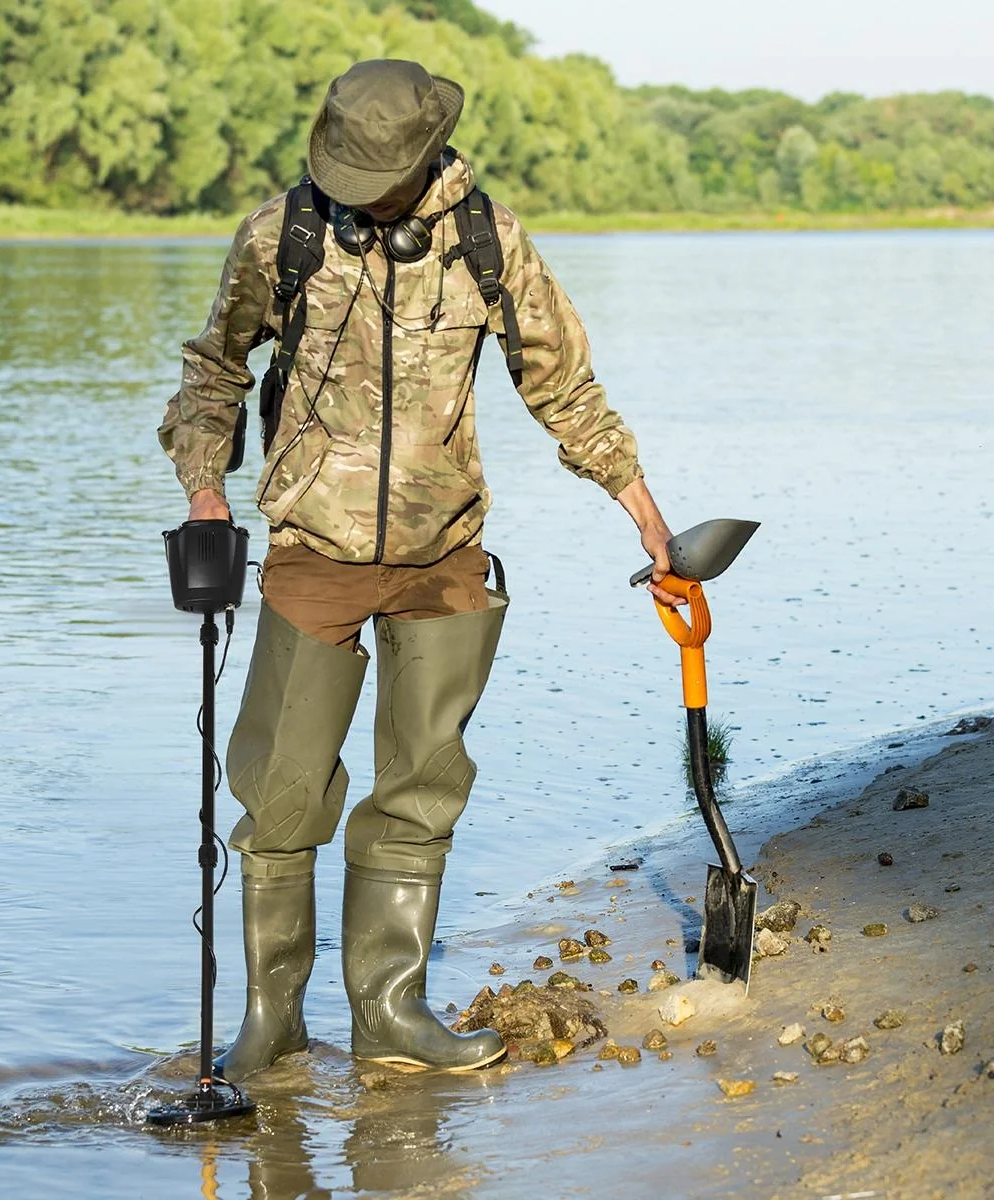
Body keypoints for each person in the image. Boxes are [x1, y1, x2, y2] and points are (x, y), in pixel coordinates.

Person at [158, 59, 681, 1080]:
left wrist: (646, 517)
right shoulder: (282, 236)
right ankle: (271, 1029)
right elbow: (213, 370)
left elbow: (563, 387)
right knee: (279, 793)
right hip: (313, 551)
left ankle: (392, 1016)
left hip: (446, 558)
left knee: (421, 790)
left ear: (427, 154)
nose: (357, 197)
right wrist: (205, 490)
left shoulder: (490, 240)